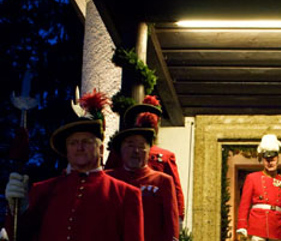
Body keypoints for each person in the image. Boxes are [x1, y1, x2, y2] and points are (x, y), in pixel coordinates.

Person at [5, 89, 144, 241]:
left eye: (86, 142)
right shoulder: (42, 190)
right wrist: (16, 209)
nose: (79, 147)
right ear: (66, 151)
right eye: (73, 143)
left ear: (101, 149)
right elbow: (19, 236)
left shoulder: (126, 194)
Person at [105, 95, 186, 222]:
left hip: (151, 209)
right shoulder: (119, 151)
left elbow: (175, 190)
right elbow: (107, 179)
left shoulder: (165, 156)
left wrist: (178, 216)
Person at [236, 134, 281, 241]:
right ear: (262, 160)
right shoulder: (252, 178)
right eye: (267, 159)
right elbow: (244, 205)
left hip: (276, 228)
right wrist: (241, 226)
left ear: (278, 158)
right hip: (257, 227)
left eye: (272, 159)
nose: (270, 162)